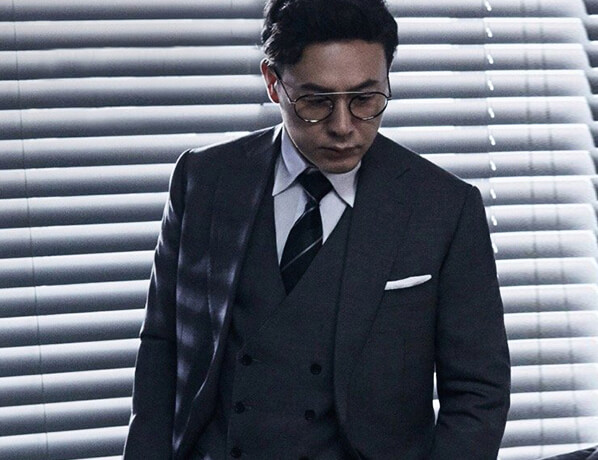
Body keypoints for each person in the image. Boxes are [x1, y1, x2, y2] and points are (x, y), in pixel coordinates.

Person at [123, 0, 511, 458]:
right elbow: (162, 350)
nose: (343, 127)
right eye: (316, 102)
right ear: (273, 84)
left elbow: (478, 393)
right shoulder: (203, 180)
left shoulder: (445, 206)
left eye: (365, 99)